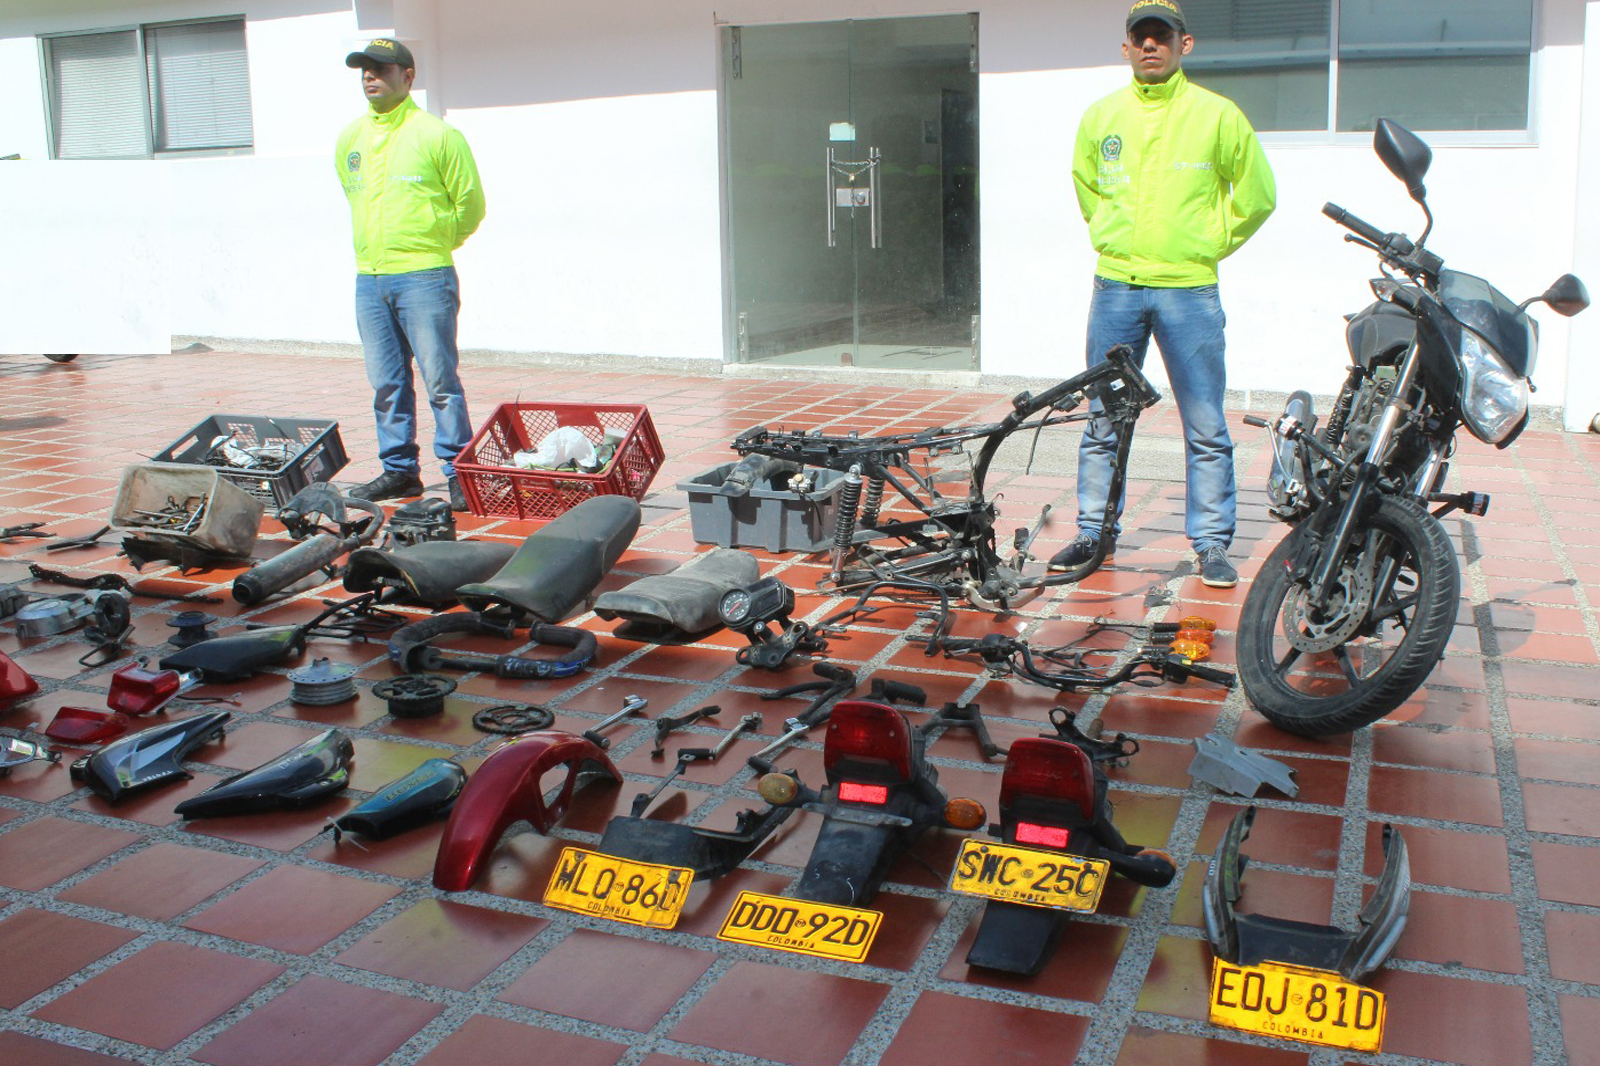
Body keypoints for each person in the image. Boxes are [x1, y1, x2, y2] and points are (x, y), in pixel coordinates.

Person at [1052, 0, 1275, 588]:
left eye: (1162, 36)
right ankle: (1093, 533)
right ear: (1126, 47)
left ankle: (1210, 543)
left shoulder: (1218, 115)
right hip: (1116, 288)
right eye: (1140, 36)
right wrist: (1110, 235)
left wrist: (1205, 243)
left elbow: (1257, 196)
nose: (1151, 45)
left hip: (1188, 292)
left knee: (1204, 424)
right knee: (1103, 418)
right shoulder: (1102, 116)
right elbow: (1087, 186)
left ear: (1185, 44)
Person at [336, 37, 486, 511]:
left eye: (381, 67)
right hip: (370, 279)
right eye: (363, 68)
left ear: (408, 76)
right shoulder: (350, 139)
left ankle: (458, 472)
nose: (370, 76)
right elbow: (351, 194)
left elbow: (471, 206)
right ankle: (400, 472)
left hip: (424, 277)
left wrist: (433, 242)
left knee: (441, 381)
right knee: (387, 383)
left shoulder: (438, 135)